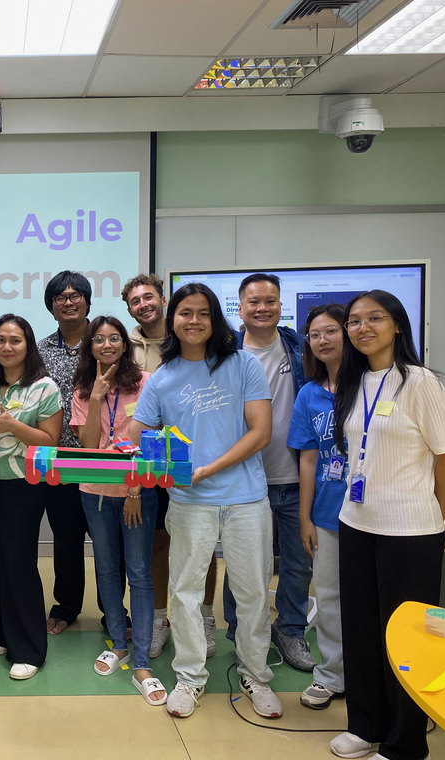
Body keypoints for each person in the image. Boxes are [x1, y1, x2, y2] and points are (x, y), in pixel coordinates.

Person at [129, 283, 281, 720]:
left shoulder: (243, 364)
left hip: (246, 499)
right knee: (185, 593)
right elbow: (138, 436)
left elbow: (261, 433)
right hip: (189, 501)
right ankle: (190, 677)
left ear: (215, 319)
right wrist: (137, 449)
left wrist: (208, 469)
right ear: (172, 319)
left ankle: (256, 675)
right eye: (185, 313)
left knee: (253, 592)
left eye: (202, 313)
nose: (193, 320)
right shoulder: (162, 377)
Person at [328, 291, 445, 760]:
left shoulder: (420, 382)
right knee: (361, 628)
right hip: (356, 522)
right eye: (354, 321)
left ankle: (405, 742)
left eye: (375, 318)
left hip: (409, 530)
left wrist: (434, 519)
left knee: (406, 638)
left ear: (398, 325)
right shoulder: (354, 381)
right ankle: (365, 725)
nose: (362, 328)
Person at [122, 273, 220, 660]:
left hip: (193, 459)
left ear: (163, 300)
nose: (143, 305)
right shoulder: (126, 346)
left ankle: (205, 618)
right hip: (149, 461)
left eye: (149, 297)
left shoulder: (193, 340)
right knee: (158, 543)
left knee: (202, 544)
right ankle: (162, 620)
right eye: (135, 301)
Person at [223, 273, 315, 672]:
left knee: (297, 563)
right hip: (244, 479)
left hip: (295, 477)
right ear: (240, 308)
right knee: (242, 563)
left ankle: (291, 630)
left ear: (280, 305)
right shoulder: (225, 353)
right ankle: (239, 630)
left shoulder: (299, 347)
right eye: (254, 302)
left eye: (270, 301)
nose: (262, 308)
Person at [71, 316, 164, 706]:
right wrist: (95, 398)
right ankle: (118, 644)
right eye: (98, 339)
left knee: (139, 572)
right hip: (94, 493)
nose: (106, 344)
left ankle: (142, 661)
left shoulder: (147, 382)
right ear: (90, 346)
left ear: (125, 344)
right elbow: (90, 447)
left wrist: (134, 489)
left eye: (114, 338)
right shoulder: (82, 389)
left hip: (137, 493)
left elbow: (155, 439)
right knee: (107, 570)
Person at [37, 271, 127, 636]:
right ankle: (67, 605)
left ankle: (113, 610)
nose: (69, 302)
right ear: (51, 306)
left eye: (76, 296)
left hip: (107, 460)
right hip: (62, 460)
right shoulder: (41, 350)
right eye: (60, 297)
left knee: (111, 542)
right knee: (66, 539)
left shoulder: (106, 341)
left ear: (87, 301)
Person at [0, 314, 62, 681]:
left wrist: (13, 426)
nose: (6, 347)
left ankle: (28, 648)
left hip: (22, 484)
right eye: (0, 340)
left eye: (15, 340)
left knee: (18, 562)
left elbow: (50, 442)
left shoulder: (43, 387)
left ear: (28, 346)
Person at [287, 304, 349, 710]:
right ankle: (331, 675)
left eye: (331, 331)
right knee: (327, 598)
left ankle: (379, 679)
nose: (322, 340)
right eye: (314, 334)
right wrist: (305, 517)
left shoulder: (373, 385)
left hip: (376, 516)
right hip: (327, 513)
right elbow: (307, 460)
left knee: (374, 600)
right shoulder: (309, 394)